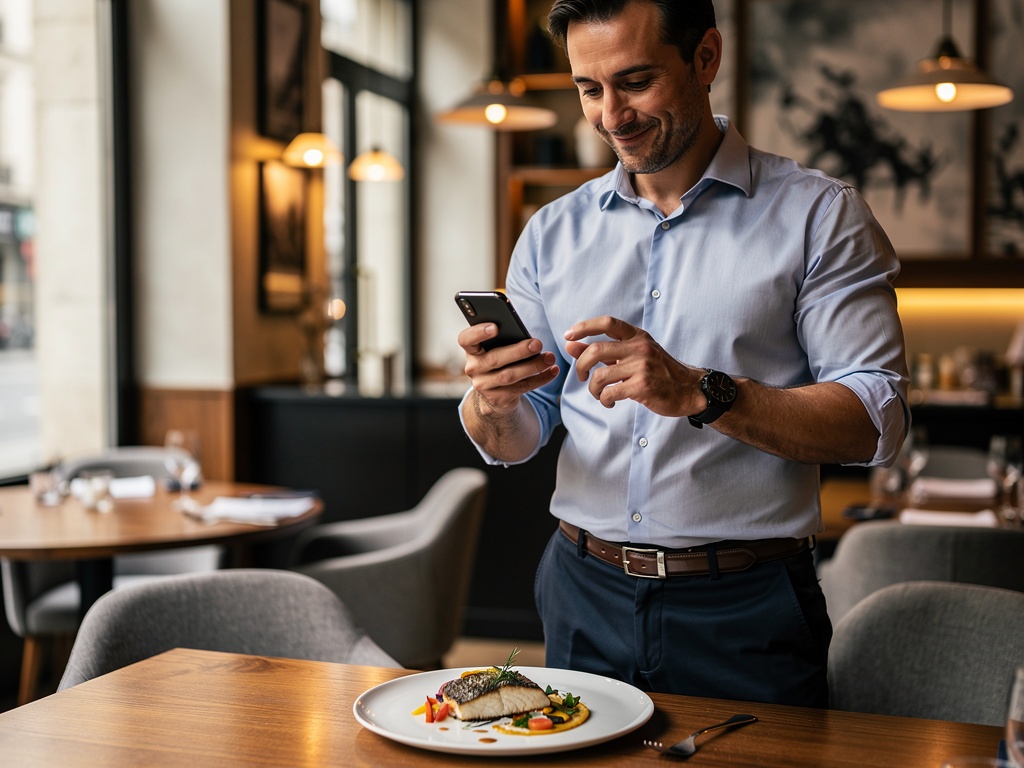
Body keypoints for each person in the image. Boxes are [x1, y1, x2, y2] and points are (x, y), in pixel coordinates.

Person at [456, 0, 909, 708]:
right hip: (581, 589)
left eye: (636, 81)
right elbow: (518, 439)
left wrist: (701, 392)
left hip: (745, 607)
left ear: (706, 59)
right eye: (588, 88)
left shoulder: (819, 216)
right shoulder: (550, 233)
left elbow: (876, 421)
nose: (611, 115)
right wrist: (492, 401)